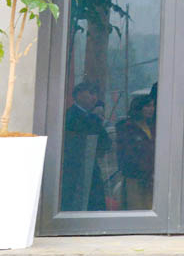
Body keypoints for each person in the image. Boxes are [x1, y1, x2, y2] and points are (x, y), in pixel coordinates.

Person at [60, 81, 111, 211]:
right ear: (78, 95)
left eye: (97, 94)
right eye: (91, 93)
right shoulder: (71, 115)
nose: (95, 98)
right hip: (75, 170)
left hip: (90, 168)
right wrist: (95, 118)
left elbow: (106, 142)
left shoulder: (90, 116)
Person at [116, 94, 156, 210]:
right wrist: (145, 172)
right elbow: (128, 156)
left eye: (153, 106)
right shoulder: (127, 128)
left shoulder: (152, 126)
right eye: (147, 106)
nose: (151, 109)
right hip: (135, 179)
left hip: (152, 180)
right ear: (138, 108)